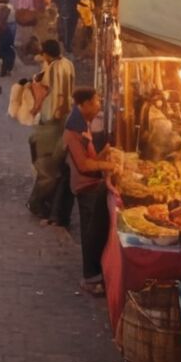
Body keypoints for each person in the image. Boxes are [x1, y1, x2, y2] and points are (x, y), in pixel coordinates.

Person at [64, 88, 117, 297]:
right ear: (84, 104)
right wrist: (108, 166)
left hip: (92, 185)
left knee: (93, 231)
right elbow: (84, 164)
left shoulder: (83, 124)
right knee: (89, 233)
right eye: (95, 102)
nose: (98, 106)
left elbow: (91, 156)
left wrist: (106, 152)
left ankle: (95, 272)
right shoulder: (72, 132)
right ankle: (89, 277)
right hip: (85, 187)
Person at [27, 39, 76, 223]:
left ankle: (38, 203)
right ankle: (44, 204)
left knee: (46, 166)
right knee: (54, 166)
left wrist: (36, 108)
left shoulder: (52, 68)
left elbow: (44, 91)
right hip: (63, 119)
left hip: (51, 122)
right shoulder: (68, 64)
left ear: (46, 53)